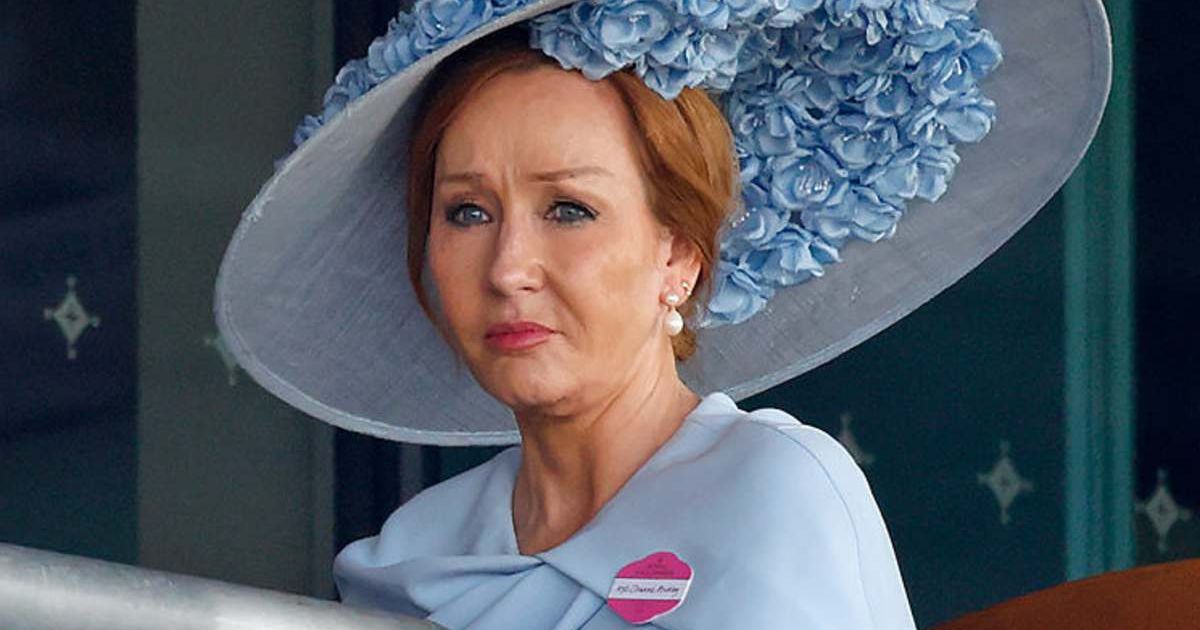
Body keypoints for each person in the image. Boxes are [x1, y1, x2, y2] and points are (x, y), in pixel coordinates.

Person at [213, 1, 1111, 627]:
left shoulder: (772, 493)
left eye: (569, 209)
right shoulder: (415, 553)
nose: (509, 267)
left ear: (678, 254)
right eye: (466, 212)